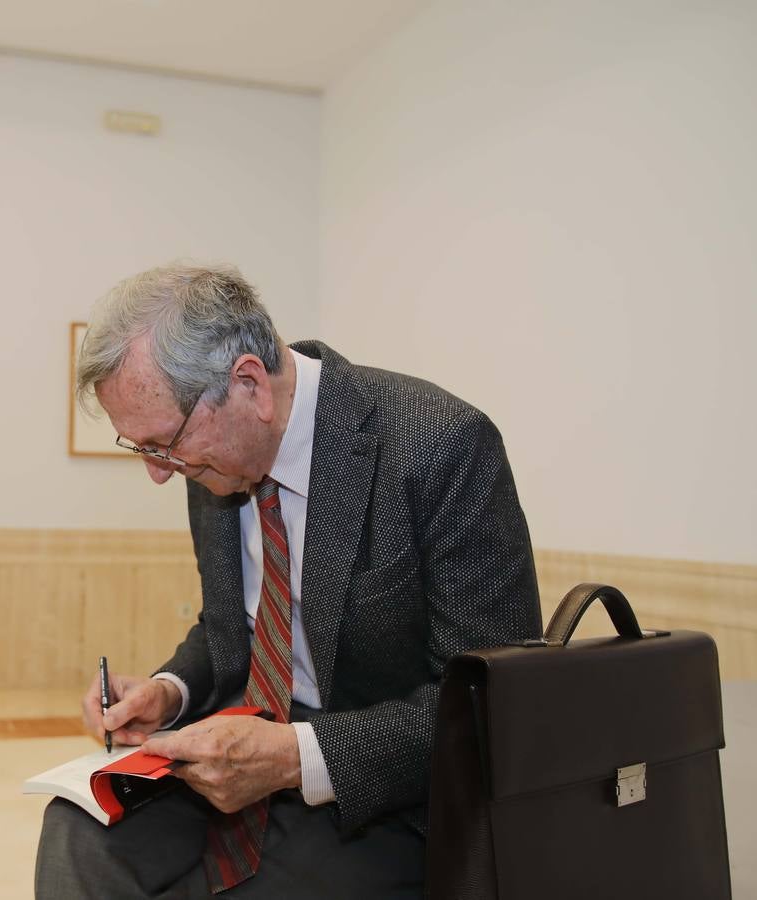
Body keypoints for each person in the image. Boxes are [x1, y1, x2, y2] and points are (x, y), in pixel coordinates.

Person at [35, 265, 541, 898]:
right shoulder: (213, 459)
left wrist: (291, 756)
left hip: (383, 790)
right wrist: (170, 690)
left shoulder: (440, 445)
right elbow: (235, 626)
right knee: (77, 833)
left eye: (164, 446)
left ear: (249, 384)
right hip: (242, 746)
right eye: (143, 450)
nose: (161, 475)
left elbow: (489, 708)